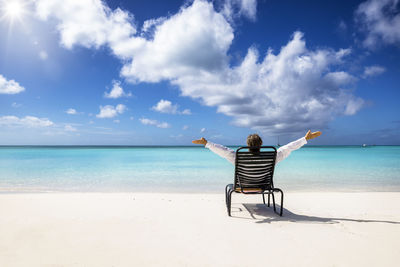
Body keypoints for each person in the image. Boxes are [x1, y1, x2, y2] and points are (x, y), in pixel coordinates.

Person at [192, 130, 322, 165]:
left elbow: (222, 150)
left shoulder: (237, 156)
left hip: (243, 186)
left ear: (247, 145)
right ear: (261, 144)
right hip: (264, 186)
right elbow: (288, 148)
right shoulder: (272, 156)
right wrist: (305, 139)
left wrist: (207, 143)